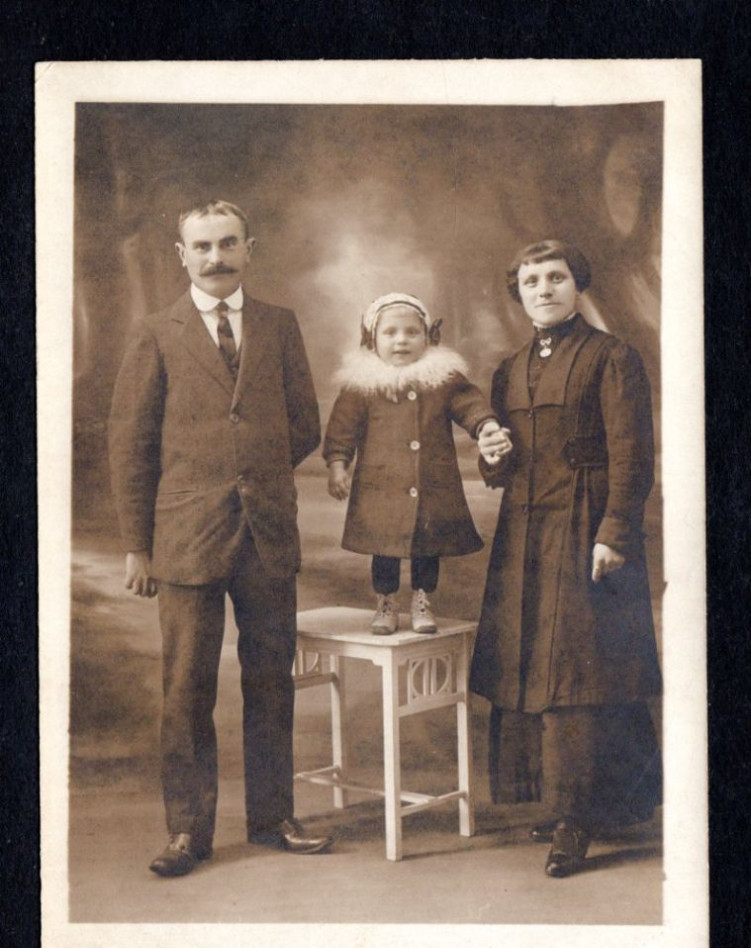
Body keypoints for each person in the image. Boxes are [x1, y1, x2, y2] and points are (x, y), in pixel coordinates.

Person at [109, 199, 333, 877]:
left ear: (248, 247)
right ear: (181, 255)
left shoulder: (278, 325)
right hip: (184, 538)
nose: (215, 258)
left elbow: (303, 425)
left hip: (265, 534)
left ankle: (272, 817)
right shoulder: (156, 331)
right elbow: (130, 445)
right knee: (185, 689)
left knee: (271, 681)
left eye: (227, 243)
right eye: (201, 246)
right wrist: (138, 543)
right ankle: (187, 831)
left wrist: (252, 477)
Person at [472, 239, 662, 878]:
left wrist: (614, 533)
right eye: (530, 281)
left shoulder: (612, 358)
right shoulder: (509, 367)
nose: (544, 289)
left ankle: (580, 818)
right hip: (525, 529)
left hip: (587, 530)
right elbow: (498, 468)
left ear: (577, 285)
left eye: (556, 277)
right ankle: (557, 804)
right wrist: (491, 456)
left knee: (581, 673)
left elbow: (633, 457)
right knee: (531, 665)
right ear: (519, 293)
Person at [323, 293, 509, 634]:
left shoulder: (442, 379)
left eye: (412, 332)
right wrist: (338, 463)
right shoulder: (362, 385)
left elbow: (469, 404)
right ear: (372, 340)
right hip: (382, 484)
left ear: (428, 337)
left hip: (430, 480)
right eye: (390, 333)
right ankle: (386, 602)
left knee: (428, 545)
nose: (401, 340)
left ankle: (423, 599)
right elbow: (342, 426)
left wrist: (486, 425)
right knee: (384, 546)